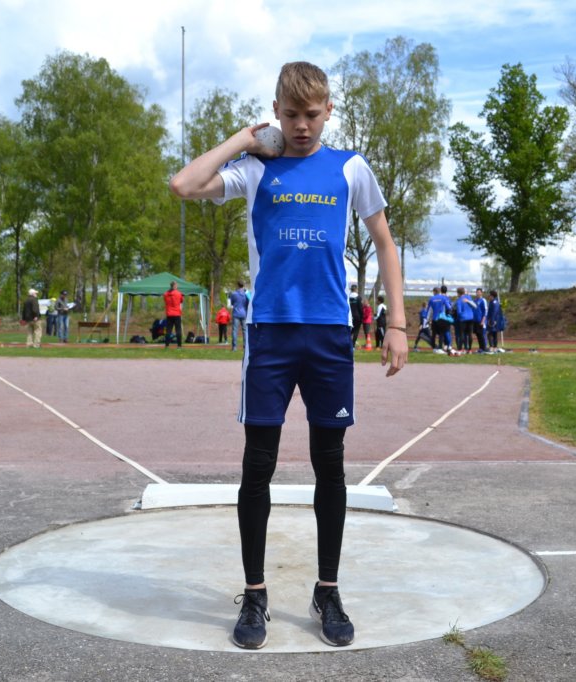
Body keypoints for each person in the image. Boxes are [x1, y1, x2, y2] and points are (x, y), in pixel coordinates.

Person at [169, 60, 408, 650]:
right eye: (292, 114)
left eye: (313, 114)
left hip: (328, 336)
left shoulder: (350, 168)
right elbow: (184, 184)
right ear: (276, 112)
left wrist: (398, 324)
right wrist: (243, 140)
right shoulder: (255, 169)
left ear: (329, 112)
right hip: (271, 336)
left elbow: (384, 243)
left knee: (331, 466)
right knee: (258, 466)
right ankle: (255, 595)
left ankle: (328, 590)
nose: (302, 125)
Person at [427, 285, 453, 354]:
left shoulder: (431, 299)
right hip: (441, 318)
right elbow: (449, 307)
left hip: (434, 319)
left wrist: (428, 319)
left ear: (434, 292)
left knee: (434, 334)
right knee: (441, 333)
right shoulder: (444, 298)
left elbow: (429, 310)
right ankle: (440, 347)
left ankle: (434, 348)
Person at [454, 287, 476, 353]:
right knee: (470, 334)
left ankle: (460, 349)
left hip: (463, 319)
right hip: (470, 318)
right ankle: (469, 349)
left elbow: (459, 312)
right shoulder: (469, 297)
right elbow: (474, 306)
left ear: (458, 293)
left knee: (462, 334)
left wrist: (459, 318)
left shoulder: (459, 300)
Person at [163, 280, 184, 349]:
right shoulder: (179, 293)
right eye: (176, 285)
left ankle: (166, 345)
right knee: (178, 330)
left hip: (169, 314)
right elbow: (181, 300)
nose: (177, 286)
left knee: (168, 330)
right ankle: (179, 346)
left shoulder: (165, 294)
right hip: (177, 314)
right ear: (174, 286)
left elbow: (165, 301)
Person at [229, 281, 249, 351]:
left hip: (236, 313)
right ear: (243, 285)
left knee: (235, 330)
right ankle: (245, 346)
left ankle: (234, 347)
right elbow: (247, 303)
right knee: (245, 330)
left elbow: (232, 303)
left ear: (237, 285)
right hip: (244, 313)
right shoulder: (246, 294)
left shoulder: (234, 294)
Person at [473, 288, 490, 354]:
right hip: (475, 321)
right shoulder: (475, 300)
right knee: (478, 334)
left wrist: (483, 320)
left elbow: (485, 311)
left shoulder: (483, 300)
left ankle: (484, 348)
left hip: (481, 320)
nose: (477, 293)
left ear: (481, 293)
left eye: (479, 292)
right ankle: (480, 348)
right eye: (477, 292)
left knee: (482, 334)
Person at [348, 283, 363, 348]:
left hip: (349, 316)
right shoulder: (358, 298)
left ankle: (347, 342)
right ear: (356, 289)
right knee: (356, 330)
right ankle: (353, 345)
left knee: (349, 331)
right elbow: (360, 308)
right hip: (357, 317)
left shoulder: (348, 297)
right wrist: (362, 317)